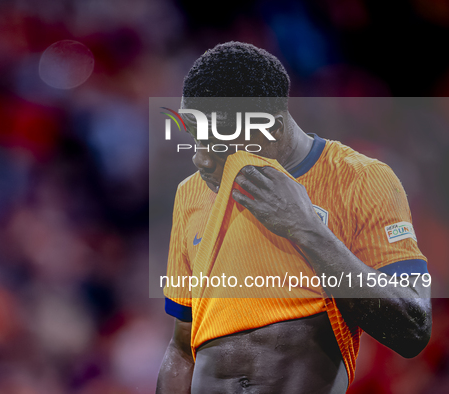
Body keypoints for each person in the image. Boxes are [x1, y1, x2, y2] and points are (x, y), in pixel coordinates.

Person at [156, 42, 432, 394]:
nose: (201, 159)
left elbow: (412, 330)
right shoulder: (190, 193)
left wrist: (305, 229)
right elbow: (181, 348)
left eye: (219, 142)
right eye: (195, 138)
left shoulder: (361, 179)